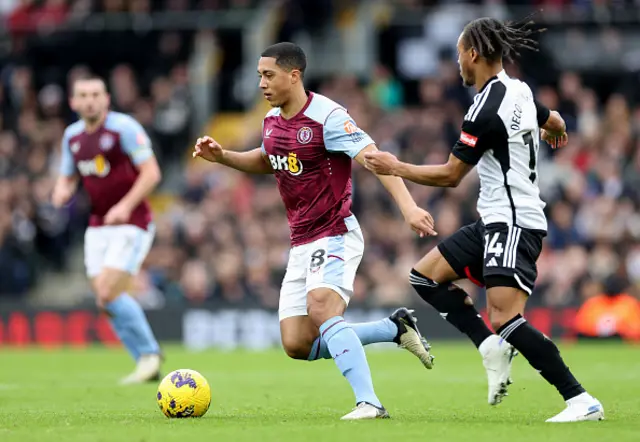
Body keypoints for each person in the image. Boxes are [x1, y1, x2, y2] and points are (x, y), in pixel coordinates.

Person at [363, 17, 604, 423]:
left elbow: (451, 176)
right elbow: (556, 120)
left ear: (473, 54)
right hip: (497, 220)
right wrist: (554, 132)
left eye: (460, 54)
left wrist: (395, 165)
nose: (458, 62)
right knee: (424, 277)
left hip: (512, 221)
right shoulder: (520, 90)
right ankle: (488, 345)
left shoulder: (484, 108)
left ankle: (579, 399)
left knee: (506, 317)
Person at [193, 42, 436, 420]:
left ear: (294, 75)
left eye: (268, 75)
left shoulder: (329, 117)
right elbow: (267, 158)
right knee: (297, 343)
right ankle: (393, 329)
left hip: (335, 231)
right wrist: (223, 156)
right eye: (259, 75)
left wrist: (408, 207)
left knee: (322, 307)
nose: (261, 83)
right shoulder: (271, 120)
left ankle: (369, 403)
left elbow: (374, 159)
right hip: (301, 241)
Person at [52, 76, 163, 384]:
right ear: (73, 102)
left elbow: (152, 173)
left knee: (106, 291)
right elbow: (67, 175)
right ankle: (143, 360)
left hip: (132, 222)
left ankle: (150, 355)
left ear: (106, 99)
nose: (90, 100)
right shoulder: (71, 136)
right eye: (83, 95)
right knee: (105, 300)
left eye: (95, 94)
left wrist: (126, 205)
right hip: (98, 225)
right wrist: (62, 190)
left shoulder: (123, 129)